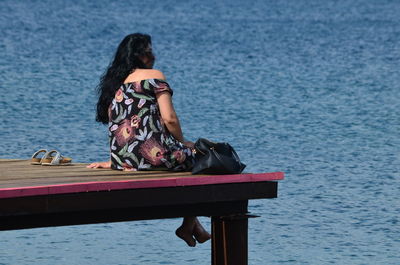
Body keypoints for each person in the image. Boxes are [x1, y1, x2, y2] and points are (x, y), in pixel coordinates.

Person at [87, 33, 210, 247]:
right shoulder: (153, 76)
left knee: (189, 159)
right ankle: (189, 223)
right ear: (139, 55)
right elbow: (169, 118)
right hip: (152, 157)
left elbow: (117, 124)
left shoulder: (114, 83)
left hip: (124, 161)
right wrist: (184, 142)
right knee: (204, 157)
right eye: (149, 50)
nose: (153, 55)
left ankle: (192, 225)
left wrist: (115, 160)